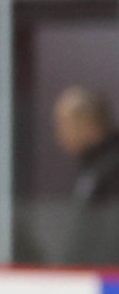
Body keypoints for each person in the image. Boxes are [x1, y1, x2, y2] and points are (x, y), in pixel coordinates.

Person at [53, 86, 119, 264]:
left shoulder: (110, 170)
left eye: (64, 124)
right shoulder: (94, 168)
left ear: (88, 123)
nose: (60, 135)